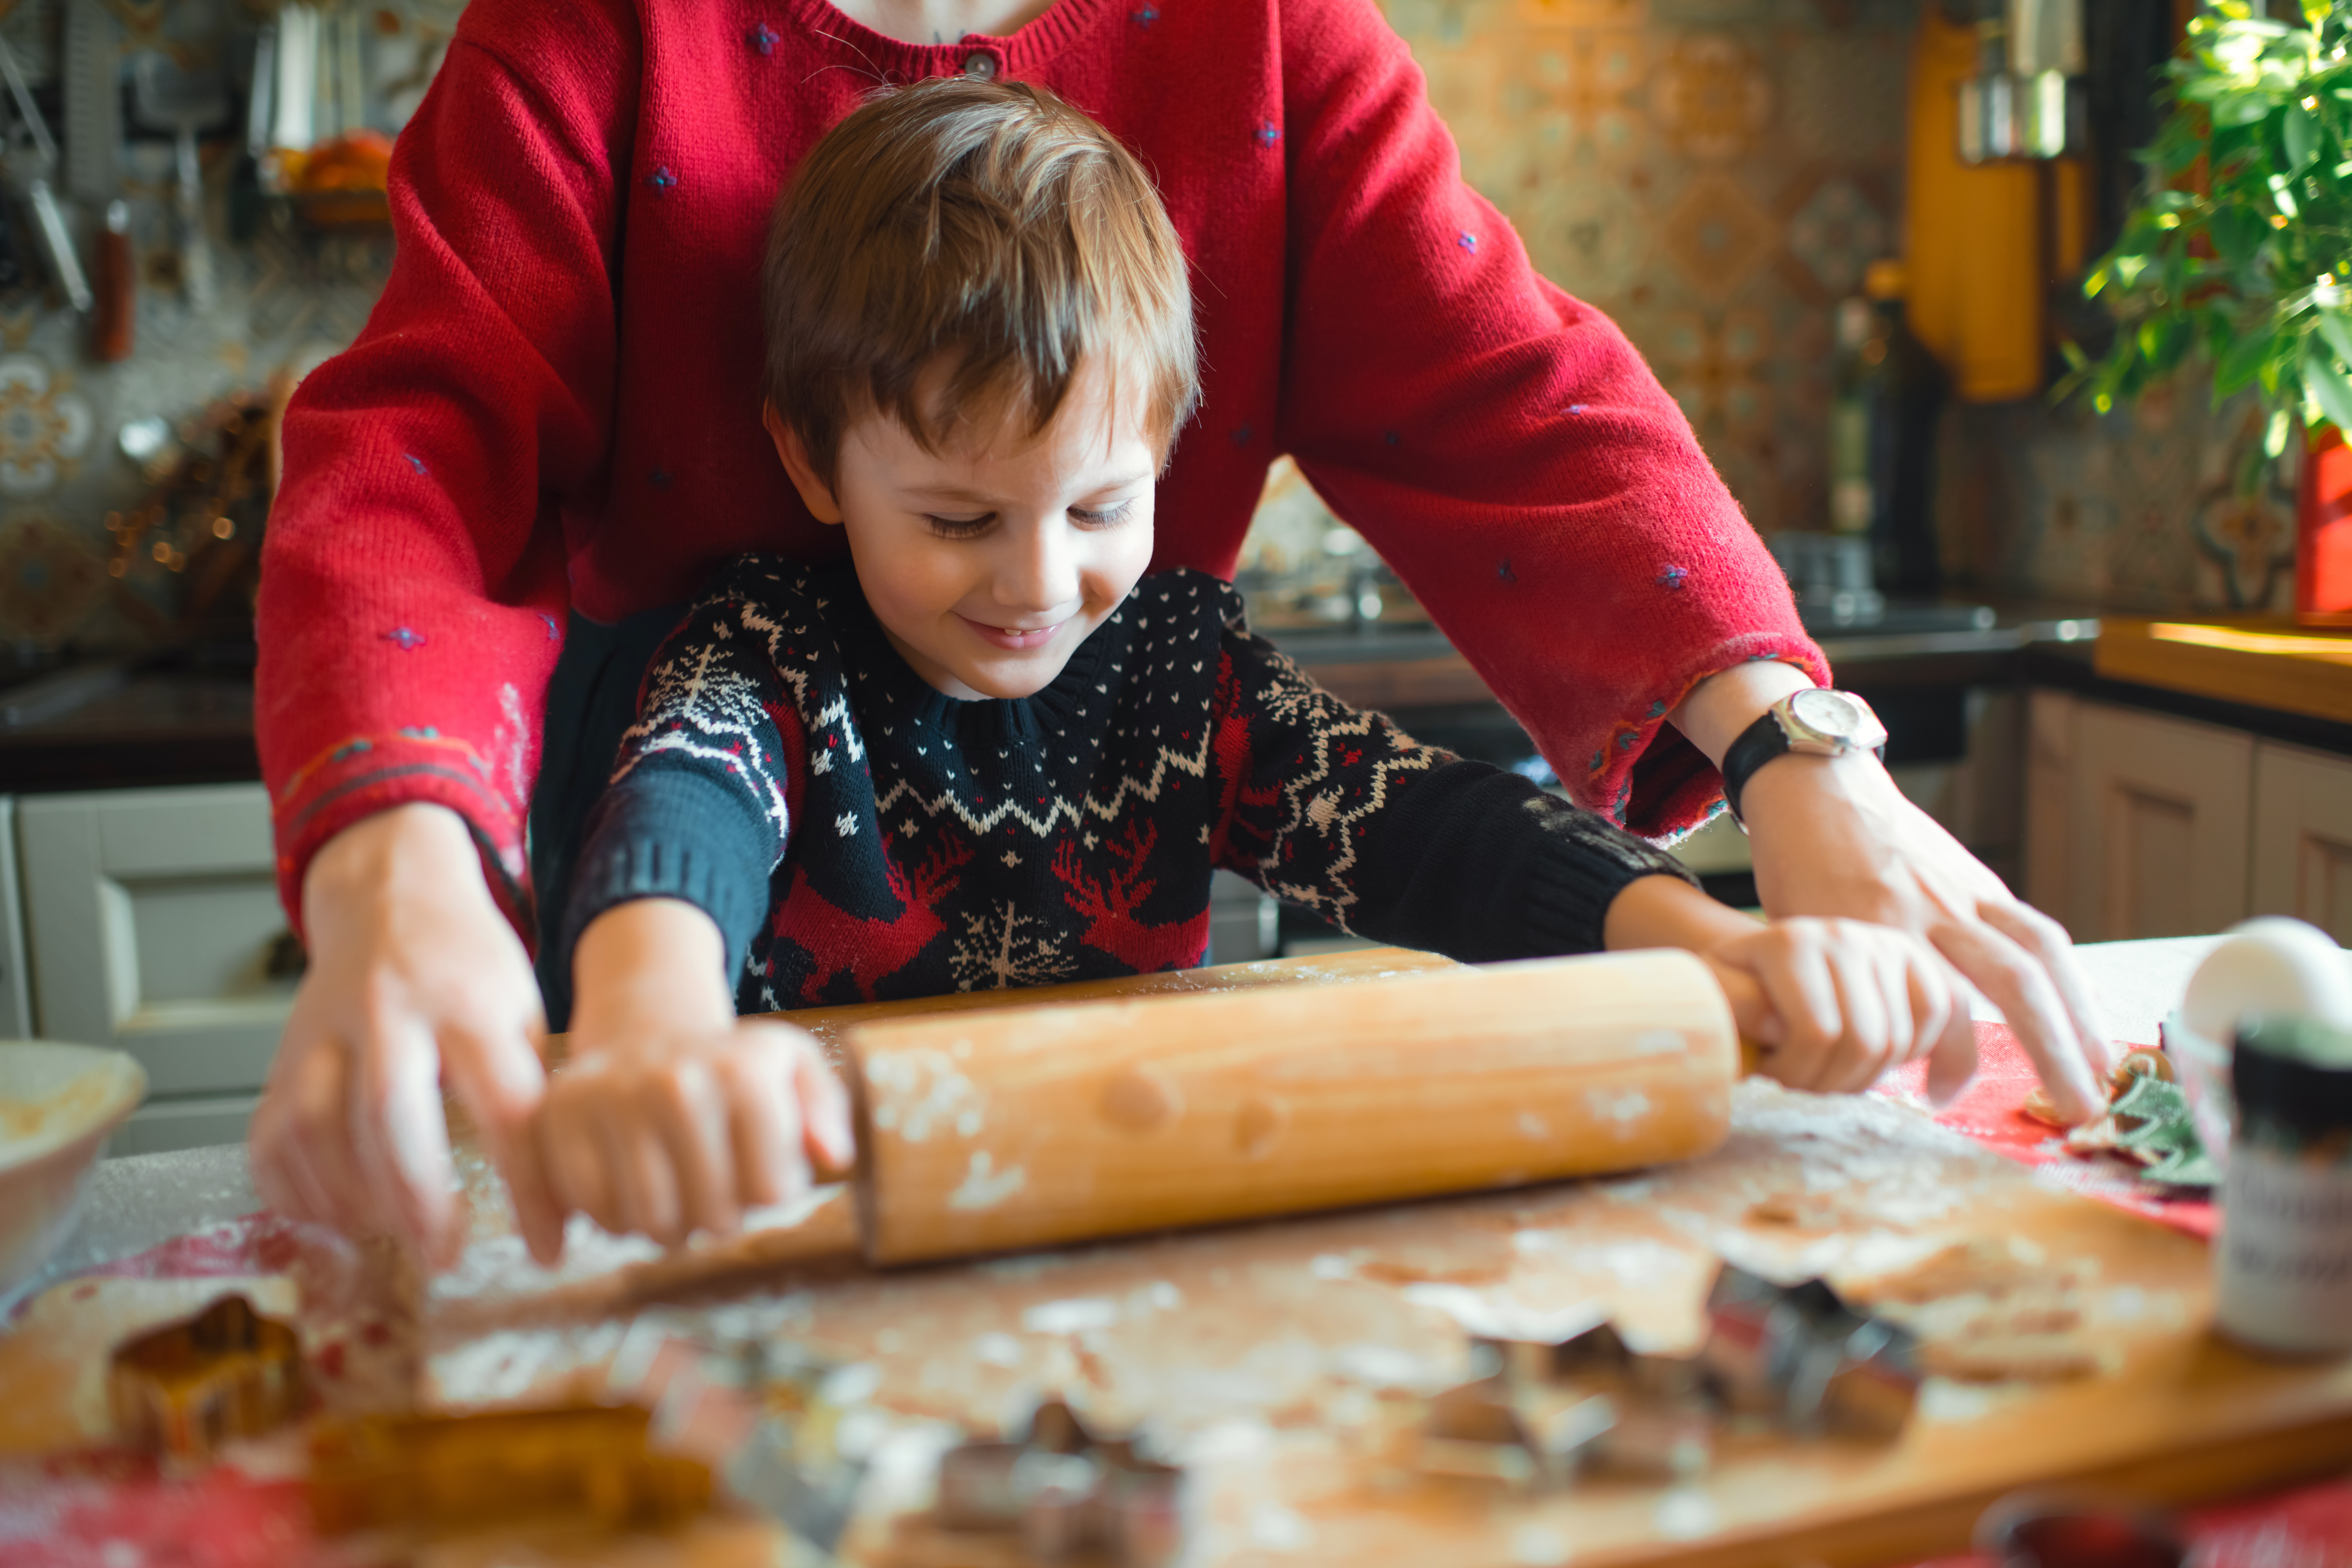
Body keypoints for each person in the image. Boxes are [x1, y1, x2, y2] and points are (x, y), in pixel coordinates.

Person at [251, 0, 2116, 1271]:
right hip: (742, 1177)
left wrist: (1730, 879)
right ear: (813, 466)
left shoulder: (1174, 663)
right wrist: (452, 891)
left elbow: (1445, 798)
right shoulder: (756, 658)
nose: (1038, 576)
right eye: (963, 517)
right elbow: (668, 799)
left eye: (1094, 508)